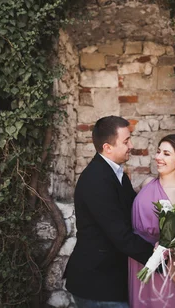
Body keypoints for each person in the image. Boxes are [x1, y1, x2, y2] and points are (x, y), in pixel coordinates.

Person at [64, 116, 155, 308]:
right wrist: (157, 257)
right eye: (126, 141)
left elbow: (134, 215)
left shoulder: (117, 174)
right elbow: (120, 234)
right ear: (108, 147)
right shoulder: (96, 180)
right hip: (97, 284)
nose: (131, 145)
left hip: (112, 280)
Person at [128, 134, 175, 308]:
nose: (158, 157)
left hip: (163, 266)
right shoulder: (147, 183)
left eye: (166, 154)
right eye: (158, 152)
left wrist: (168, 247)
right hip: (135, 258)